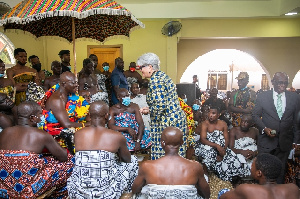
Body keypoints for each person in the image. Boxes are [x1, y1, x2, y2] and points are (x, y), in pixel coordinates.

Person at [0, 101, 74, 198]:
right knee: (71, 161)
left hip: (5, 188)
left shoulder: (5, 132)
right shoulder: (40, 134)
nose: (42, 117)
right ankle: (59, 196)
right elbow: (63, 156)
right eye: (40, 114)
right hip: (28, 189)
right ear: (32, 118)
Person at [67, 101, 138, 198]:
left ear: (89, 115)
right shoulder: (116, 136)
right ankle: (128, 194)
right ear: (106, 116)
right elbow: (127, 159)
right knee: (133, 161)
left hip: (79, 193)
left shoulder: (78, 134)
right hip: (106, 194)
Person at [132, 127, 210, 199]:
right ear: (182, 142)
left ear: (162, 143)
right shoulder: (195, 166)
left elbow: (135, 190)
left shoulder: (147, 166)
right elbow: (206, 194)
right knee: (203, 179)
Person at [137, 52, 188, 160]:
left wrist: (148, 111)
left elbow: (160, 106)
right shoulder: (162, 76)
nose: (140, 70)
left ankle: (164, 176)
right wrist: (150, 109)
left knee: (164, 156)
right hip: (176, 119)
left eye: (141, 67)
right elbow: (164, 102)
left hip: (167, 122)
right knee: (177, 154)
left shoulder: (155, 80)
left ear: (150, 67)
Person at [252, 72, 300, 183]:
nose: (283, 85)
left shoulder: (294, 97)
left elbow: (296, 121)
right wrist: (264, 129)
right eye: (280, 83)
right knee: (263, 171)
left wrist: (297, 141)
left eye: (285, 83)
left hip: (284, 141)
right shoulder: (263, 96)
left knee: (280, 171)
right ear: (273, 82)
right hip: (266, 142)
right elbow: (255, 115)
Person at [41, 72, 89, 152]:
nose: (77, 85)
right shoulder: (57, 100)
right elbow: (66, 124)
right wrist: (87, 124)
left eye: (76, 82)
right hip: (55, 133)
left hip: (66, 126)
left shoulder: (69, 95)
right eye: (73, 83)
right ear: (63, 84)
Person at [194, 106, 245, 182]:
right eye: (209, 112)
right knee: (208, 154)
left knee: (234, 160)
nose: (210, 115)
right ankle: (206, 176)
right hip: (208, 146)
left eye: (213, 113)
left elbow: (226, 138)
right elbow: (203, 139)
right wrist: (216, 146)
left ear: (218, 115)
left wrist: (223, 150)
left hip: (222, 148)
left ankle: (233, 180)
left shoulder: (223, 124)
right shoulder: (205, 124)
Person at [219, 153, 300, 199]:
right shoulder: (293, 188)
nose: (250, 167)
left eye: (252, 165)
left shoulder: (247, 189)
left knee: (223, 192)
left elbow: (223, 198)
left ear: (259, 173)